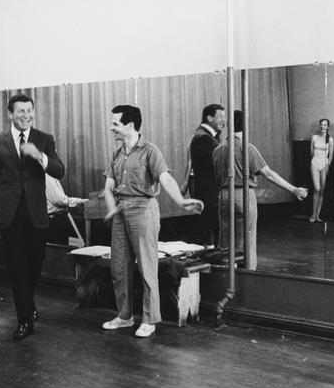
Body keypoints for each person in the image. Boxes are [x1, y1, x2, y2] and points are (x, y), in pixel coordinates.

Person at [101, 105, 203, 338]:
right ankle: (124, 316)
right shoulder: (116, 154)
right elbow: (108, 187)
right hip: (120, 212)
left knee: (146, 268)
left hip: (143, 210)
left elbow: (165, 178)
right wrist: (112, 209)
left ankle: (149, 319)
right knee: (119, 268)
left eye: (115, 124)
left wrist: (181, 201)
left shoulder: (150, 151)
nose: (111, 128)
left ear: (130, 125)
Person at [0, 94, 65, 341]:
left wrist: (39, 156)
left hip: (37, 213)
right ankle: (24, 319)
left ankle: (28, 302)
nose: (26, 115)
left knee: (35, 264)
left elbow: (59, 170)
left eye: (30, 110)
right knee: (17, 267)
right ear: (10, 114)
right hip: (9, 214)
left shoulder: (44, 139)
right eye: (21, 111)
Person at [212, 110, 308, 271]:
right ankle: (248, 274)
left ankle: (226, 277)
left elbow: (217, 178)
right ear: (246, 125)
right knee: (247, 239)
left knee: (226, 241)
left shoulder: (218, 150)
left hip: (224, 196)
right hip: (243, 195)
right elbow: (268, 174)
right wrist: (294, 189)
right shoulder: (248, 148)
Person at [180, 104, 226, 245]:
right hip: (209, 192)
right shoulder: (204, 138)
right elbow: (216, 164)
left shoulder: (205, 136)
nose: (224, 120)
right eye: (220, 117)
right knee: (210, 228)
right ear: (209, 118)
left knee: (209, 227)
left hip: (208, 192)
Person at [45, 173, 88, 244]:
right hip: (55, 220)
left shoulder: (48, 176)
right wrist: (80, 201)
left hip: (54, 219)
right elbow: (60, 200)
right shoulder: (48, 177)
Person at [309, 118, 334, 222]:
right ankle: (313, 214)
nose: (323, 126)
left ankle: (317, 216)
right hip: (315, 163)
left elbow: (331, 155)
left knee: (322, 190)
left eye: (325, 125)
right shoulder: (314, 137)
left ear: (328, 126)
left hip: (324, 165)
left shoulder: (330, 139)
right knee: (317, 189)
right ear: (319, 126)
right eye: (321, 125)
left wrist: (327, 166)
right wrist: (314, 162)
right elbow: (311, 153)